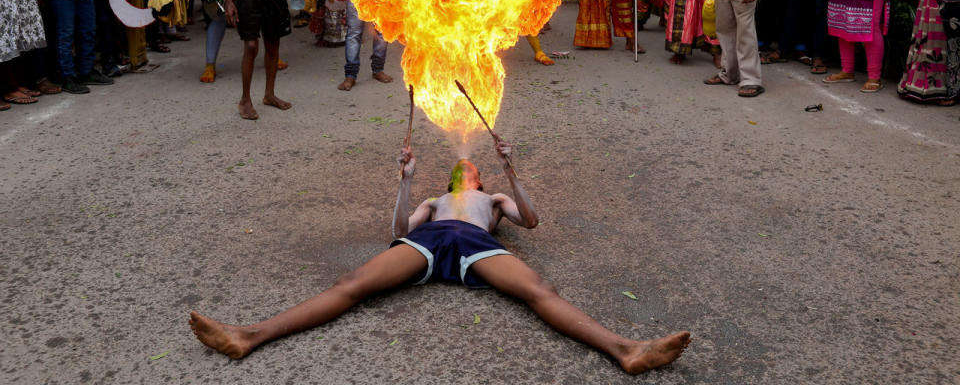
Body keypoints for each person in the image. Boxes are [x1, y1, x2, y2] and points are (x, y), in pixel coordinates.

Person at [187, 138, 692, 373]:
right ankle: (248, 335)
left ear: (478, 179)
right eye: (457, 167)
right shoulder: (433, 200)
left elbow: (531, 222)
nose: (462, 167)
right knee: (351, 285)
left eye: (469, 168)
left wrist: (511, 172)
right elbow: (396, 230)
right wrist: (406, 184)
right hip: (432, 238)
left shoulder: (491, 200)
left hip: (476, 242)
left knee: (540, 291)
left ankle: (626, 350)